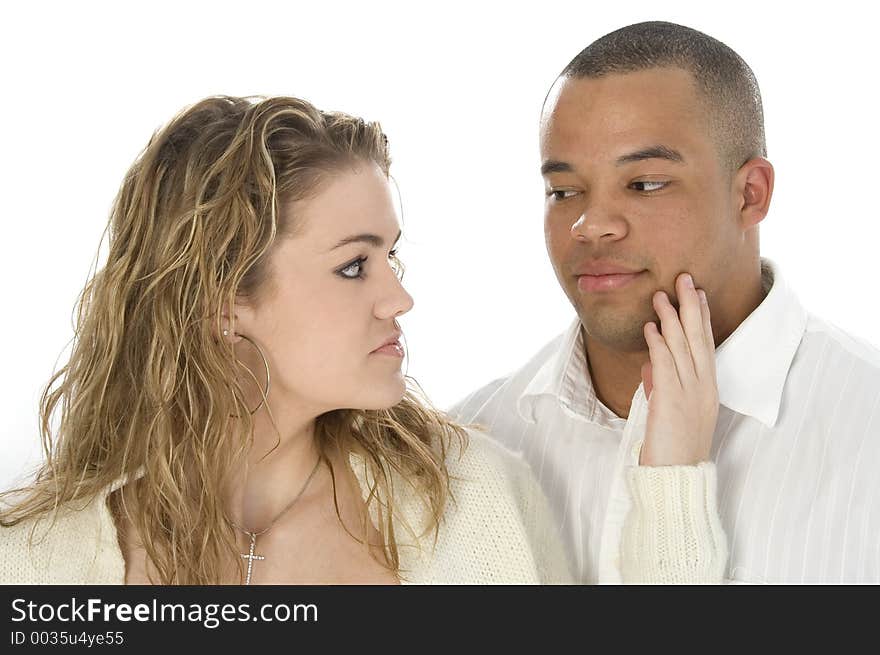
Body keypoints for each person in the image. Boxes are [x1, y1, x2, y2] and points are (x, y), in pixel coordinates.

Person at [1, 95, 723, 585]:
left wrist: (672, 488)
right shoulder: (37, 562)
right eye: (354, 265)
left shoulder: (472, 503)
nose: (398, 297)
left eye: (390, 257)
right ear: (225, 303)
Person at [452, 21, 880, 584]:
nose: (590, 224)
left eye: (645, 184)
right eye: (563, 191)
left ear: (750, 194)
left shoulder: (865, 430)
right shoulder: (466, 447)